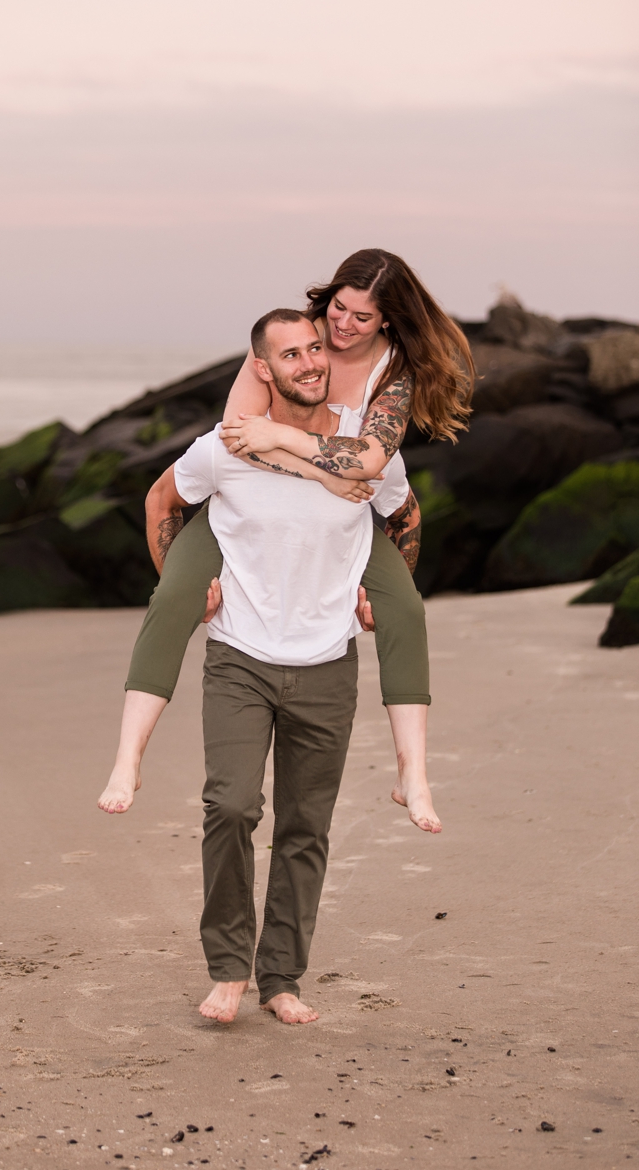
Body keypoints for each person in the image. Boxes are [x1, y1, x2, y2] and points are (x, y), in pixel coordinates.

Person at [99, 310, 415, 1026]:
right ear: (262, 370)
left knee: (306, 827)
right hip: (240, 658)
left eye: (315, 349)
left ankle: (282, 978)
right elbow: (161, 499)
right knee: (232, 807)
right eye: (289, 354)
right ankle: (227, 967)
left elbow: (404, 517)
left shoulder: (365, 453)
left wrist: (376, 600)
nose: (308, 362)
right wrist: (187, 587)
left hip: (328, 665)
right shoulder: (226, 448)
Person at [110, 249, 473, 834]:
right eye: (339, 307)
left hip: (343, 511)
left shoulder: (394, 375)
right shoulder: (296, 339)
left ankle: (414, 775)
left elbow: (373, 457)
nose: (342, 326)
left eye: (362, 316)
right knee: (174, 596)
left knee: (405, 609)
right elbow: (239, 443)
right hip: (256, 503)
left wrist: (307, 452)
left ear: (387, 320)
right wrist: (327, 472)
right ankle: (128, 760)